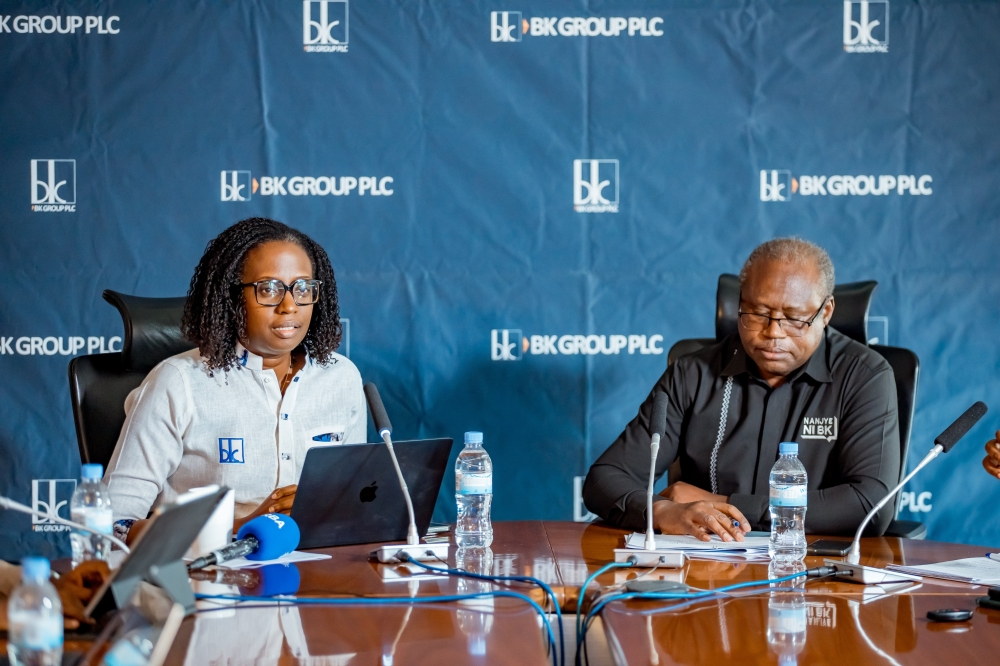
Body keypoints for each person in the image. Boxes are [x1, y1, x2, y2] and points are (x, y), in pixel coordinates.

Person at [583, 238, 900, 541]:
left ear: (825, 312)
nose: (773, 332)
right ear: (739, 305)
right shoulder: (692, 373)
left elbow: (870, 503)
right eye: (758, 313)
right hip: (708, 569)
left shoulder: (865, 376)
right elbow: (605, 479)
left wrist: (723, 503)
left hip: (816, 568)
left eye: (793, 318)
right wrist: (661, 511)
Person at [105, 218, 365, 546]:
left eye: (303, 288)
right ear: (231, 298)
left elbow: (354, 506)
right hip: (202, 578)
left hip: (315, 572)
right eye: (268, 289)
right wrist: (241, 527)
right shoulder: (179, 383)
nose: (289, 306)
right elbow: (113, 523)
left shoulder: (342, 377)